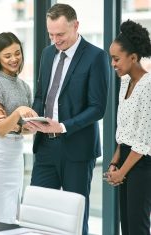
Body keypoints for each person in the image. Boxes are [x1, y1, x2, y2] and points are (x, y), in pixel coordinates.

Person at [24, 4, 110, 235]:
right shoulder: (47, 53)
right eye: (51, 34)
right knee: (39, 214)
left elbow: (98, 108)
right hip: (45, 148)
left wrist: (62, 126)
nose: (55, 40)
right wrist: (34, 117)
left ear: (76, 26)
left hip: (77, 150)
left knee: (74, 217)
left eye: (60, 34)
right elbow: (42, 94)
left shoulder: (96, 57)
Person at [0, 32, 37, 224]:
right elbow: (1, 129)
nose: (14, 59)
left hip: (15, 155)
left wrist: (28, 125)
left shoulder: (24, 87)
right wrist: (19, 112)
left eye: (17, 53)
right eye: (7, 55)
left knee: (12, 215)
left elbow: (28, 129)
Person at [105, 20, 151, 235]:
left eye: (116, 59)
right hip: (125, 156)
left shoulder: (148, 86)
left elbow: (142, 141)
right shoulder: (125, 81)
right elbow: (124, 132)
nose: (113, 63)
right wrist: (115, 162)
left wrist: (122, 172)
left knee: (137, 226)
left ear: (133, 58)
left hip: (141, 164)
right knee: (126, 225)